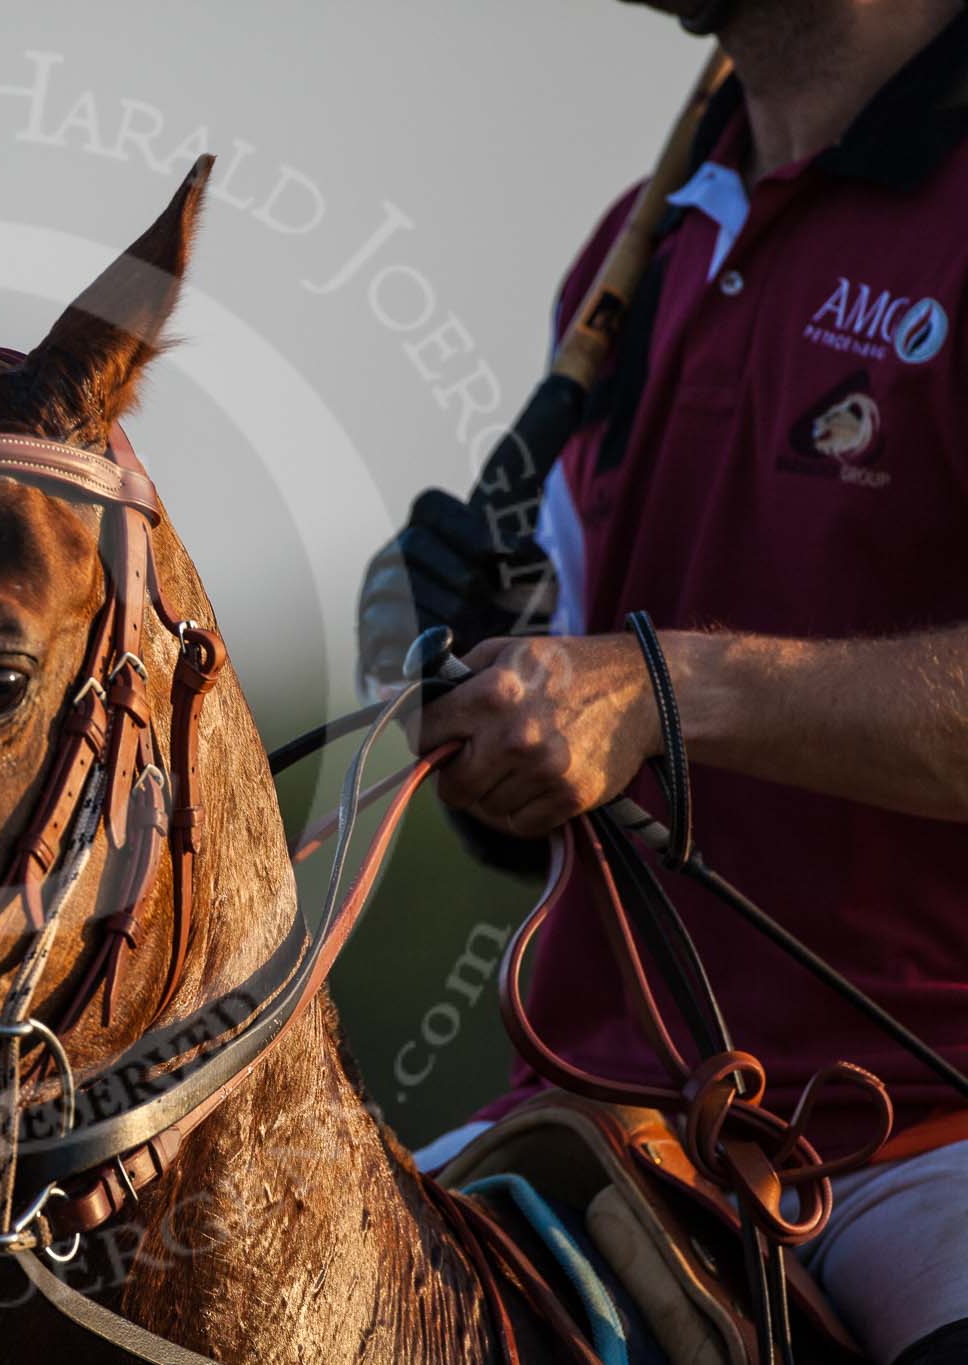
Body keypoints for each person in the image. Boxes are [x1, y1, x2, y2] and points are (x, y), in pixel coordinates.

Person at [359, 3, 968, 1361]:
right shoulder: (641, 248)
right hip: (598, 1117)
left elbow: (642, 697)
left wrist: (660, 690)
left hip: (931, 1133)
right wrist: (467, 688)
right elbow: (541, 810)